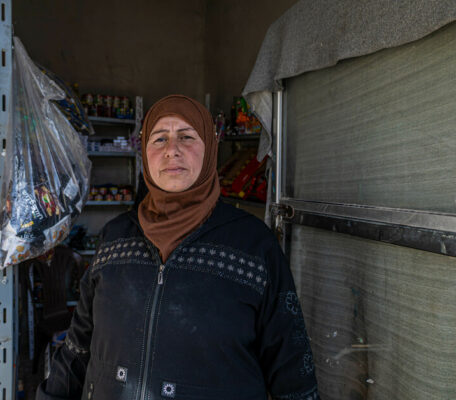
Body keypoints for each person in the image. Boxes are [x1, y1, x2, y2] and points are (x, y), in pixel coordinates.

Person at [36, 95, 319, 400]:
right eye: (159, 139)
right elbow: (78, 345)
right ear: (144, 153)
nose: (172, 150)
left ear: (209, 148)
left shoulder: (253, 245)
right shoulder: (114, 238)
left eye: (186, 136)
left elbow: (291, 366)